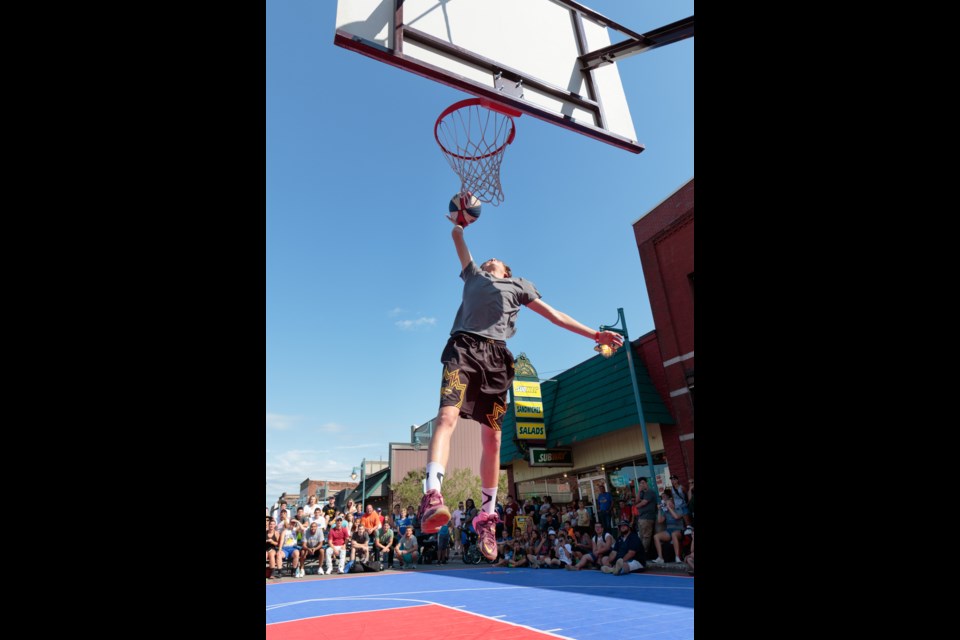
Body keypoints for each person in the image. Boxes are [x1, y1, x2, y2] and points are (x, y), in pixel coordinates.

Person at [415, 215, 625, 562]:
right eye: (486, 259)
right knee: (446, 417)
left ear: (507, 271)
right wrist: (460, 220)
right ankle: (433, 494)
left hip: (497, 359)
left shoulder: (519, 286)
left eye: (494, 260)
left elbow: (555, 315)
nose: (488, 259)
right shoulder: (473, 274)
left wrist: (595, 334)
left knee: (493, 437)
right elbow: (456, 237)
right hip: (464, 348)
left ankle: (486, 517)